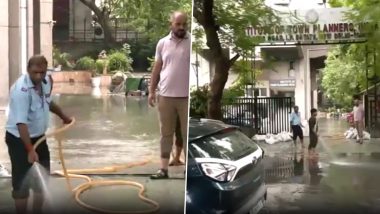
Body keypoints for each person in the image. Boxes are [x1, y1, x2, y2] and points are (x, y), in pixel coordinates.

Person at [5, 55, 72, 214]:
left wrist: (63, 116)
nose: (38, 76)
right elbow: (21, 124)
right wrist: (30, 149)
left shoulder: (47, 81)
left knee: (42, 181)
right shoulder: (21, 90)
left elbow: (48, 102)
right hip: (19, 140)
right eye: (35, 72)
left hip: (39, 137)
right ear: (28, 70)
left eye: (42, 72)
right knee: (21, 183)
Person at [148, 11, 190, 179]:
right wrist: (151, 91)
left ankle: (190, 169)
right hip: (165, 96)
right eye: (178, 24)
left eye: (184, 24)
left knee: (187, 135)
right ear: (171, 24)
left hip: (186, 97)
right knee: (166, 134)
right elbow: (157, 69)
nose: (181, 27)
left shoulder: (191, 41)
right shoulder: (162, 43)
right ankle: (163, 169)